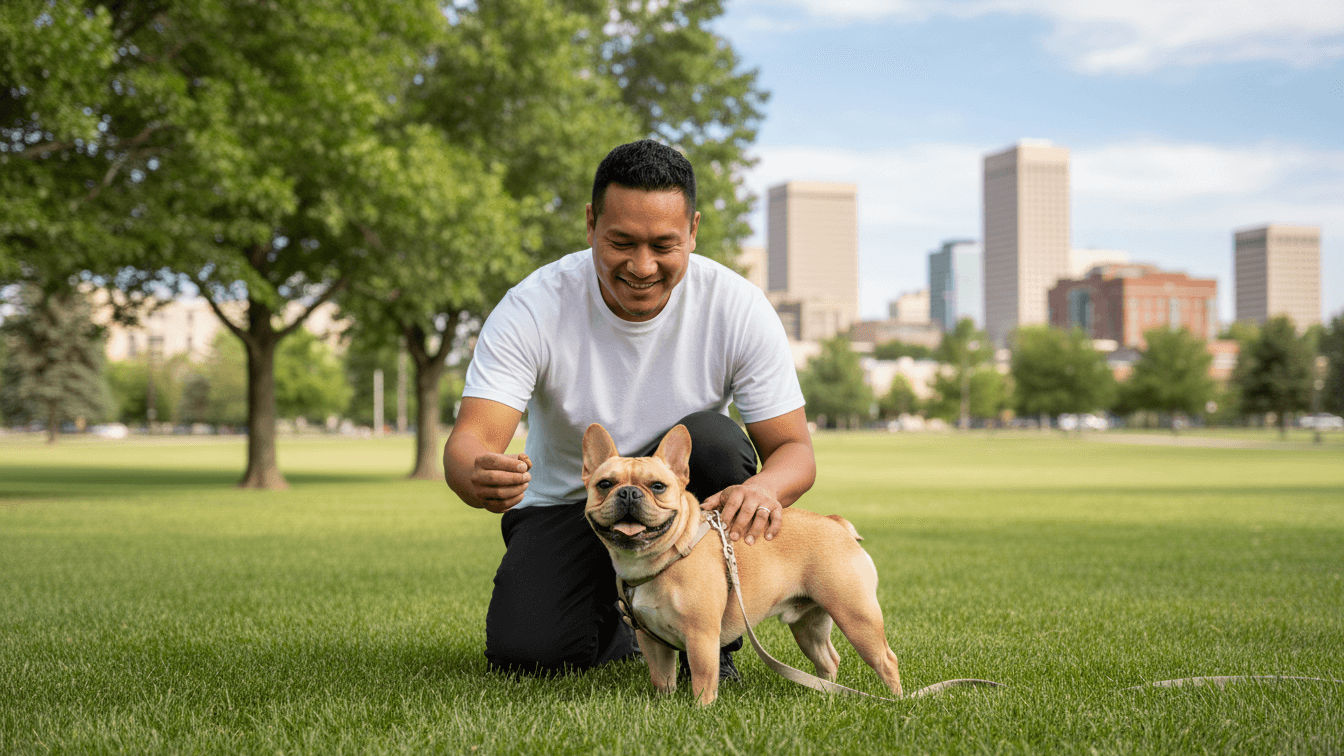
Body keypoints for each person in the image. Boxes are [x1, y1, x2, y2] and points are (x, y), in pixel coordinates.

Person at [443, 139, 815, 677]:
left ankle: (703, 644)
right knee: (530, 655)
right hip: (570, 508)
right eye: (621, 242)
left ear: (693, 231)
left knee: (716, 439)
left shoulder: (736, 306)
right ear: (591, 224)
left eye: (664, 245)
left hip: (684, 515)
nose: (642, 266)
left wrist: (762, 489)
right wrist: (476, 474)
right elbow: (469, 442)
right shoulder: (534, 304)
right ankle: (630, 618)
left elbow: (793, 451)